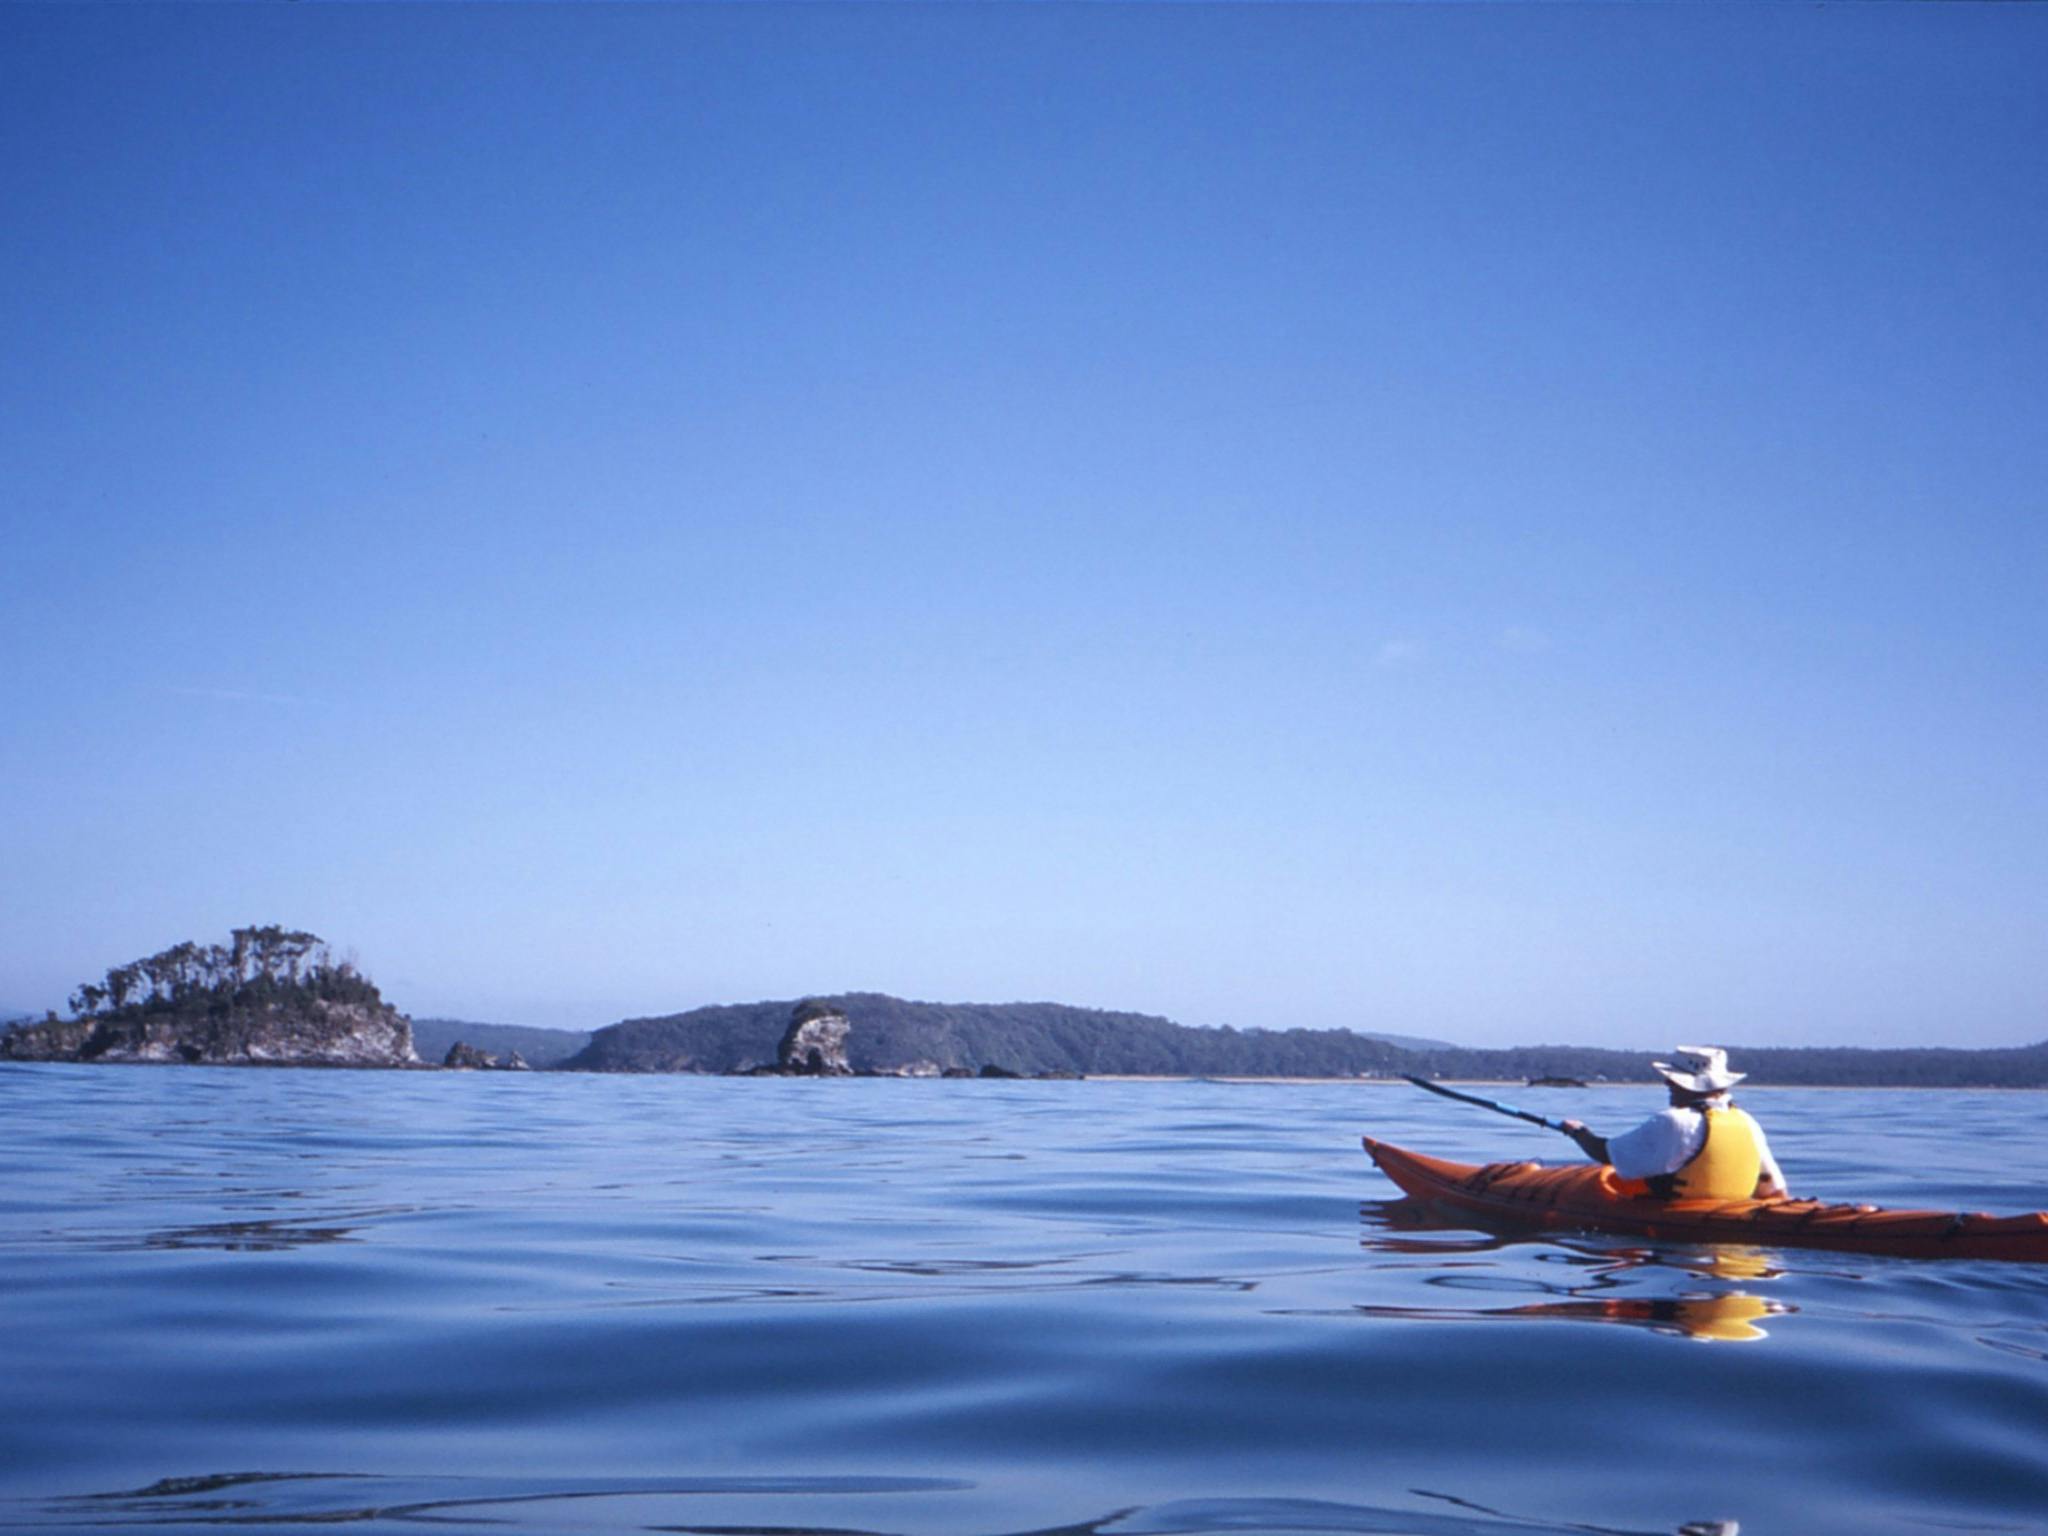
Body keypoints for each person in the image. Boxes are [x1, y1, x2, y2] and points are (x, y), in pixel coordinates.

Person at [1560, 1045, 1788, 1200]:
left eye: (1672, 1081)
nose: (1667, 1084)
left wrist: (1579, 1133)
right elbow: (1773, 1188)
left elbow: (1607, 1155)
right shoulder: (1748, 1122)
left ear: (1686, 1084)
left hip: (1684, 1234)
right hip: (1736, 1218)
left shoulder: (1674, 1121)